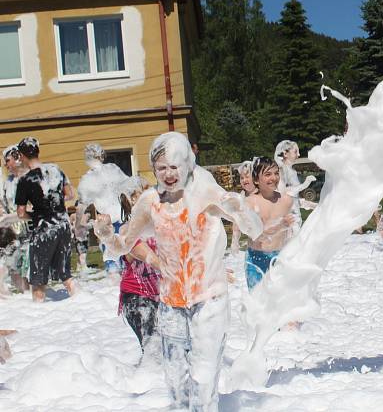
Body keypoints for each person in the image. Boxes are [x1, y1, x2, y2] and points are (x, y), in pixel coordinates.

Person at [94, 132, 261, 412]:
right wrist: (105, 234)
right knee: (175, 379)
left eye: (175, 167)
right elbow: (122, 246)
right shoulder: (150, 202)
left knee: (204, 376)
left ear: (187, 164)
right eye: (162, 168)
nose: (169, 174)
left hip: (209, 298)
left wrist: (241, 210)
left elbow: (254, 230)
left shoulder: (205, 192)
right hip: (171, 302)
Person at [14, 137, 78, 302]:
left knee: (38, 280)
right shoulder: (55, 169)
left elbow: (20, 213)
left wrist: (35, 215)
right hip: (63, 225)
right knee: (66, 274)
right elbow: (70, 194)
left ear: (21, 156)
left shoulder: (24, 180)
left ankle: (38, 317)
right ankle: (81, 301)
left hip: (43, 229)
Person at [117, 179, 161, 354]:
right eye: (145, 191)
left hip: (160, 297)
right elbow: (135, 250)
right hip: (137, 298)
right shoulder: (127, 230)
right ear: (132, 200)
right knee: (153, 351)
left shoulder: (160, 225)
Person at [77, 143, 132, 276]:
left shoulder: (88, 179)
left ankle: (115, 293)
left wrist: (79, 225)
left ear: (87, 158)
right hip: (123, 219)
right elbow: (129, 187)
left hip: (106, 224)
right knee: (128, 262)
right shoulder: (113, 169)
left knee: (112, 264)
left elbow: (82, 205)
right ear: (102, 156)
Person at [244, 157, 294, 290]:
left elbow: (291, 233)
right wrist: (280, 226)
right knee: (258, 303)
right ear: (256, 180)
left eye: (276, 173)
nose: (274, 177)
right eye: (267, 174)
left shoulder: (286, 201)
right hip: (256, 259)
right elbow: (256, 235)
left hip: (280, 257)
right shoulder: (250, 203)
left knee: (281, 301)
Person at [0, 146, 29, 293]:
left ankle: (33, 297)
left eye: (7, 160)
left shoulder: (29, 177)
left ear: (17, 158)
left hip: (30, 229)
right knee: (12, 266)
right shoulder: (8, 182)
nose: (6, 164)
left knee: (29, 268)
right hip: (14, 231)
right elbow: (4, 204)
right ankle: (24, 296)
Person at [274, 140, 317, 238]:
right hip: (288, 218)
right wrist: (304, 185)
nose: (299, 154)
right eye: (295, 151)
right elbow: (283, 192)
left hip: (296, 216)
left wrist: (308, 204)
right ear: (285, 153)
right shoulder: (281, 170)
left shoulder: (292, 171)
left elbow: (294, 197)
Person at [230, 160, 256, 255]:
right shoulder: (241, 197)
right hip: (253, 244)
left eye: (247, 177)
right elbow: (237, 220)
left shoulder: (264, 194)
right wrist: (235, 241)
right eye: (242, 178)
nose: (244, 180)